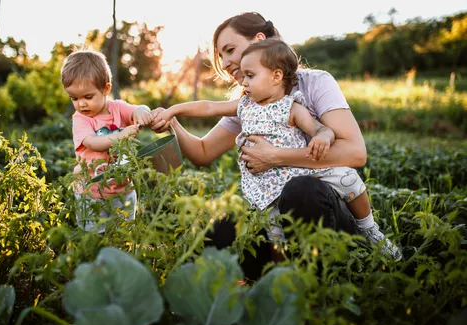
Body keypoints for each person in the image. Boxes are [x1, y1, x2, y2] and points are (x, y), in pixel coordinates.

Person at [149, 12, 401, 279]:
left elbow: (354, 152)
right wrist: (172, 119)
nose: (224, 63)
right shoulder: (248, 102)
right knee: (219, 233)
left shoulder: (314, 83)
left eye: (229, 50)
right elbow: (202, 152)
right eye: (220, 57)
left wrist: (275, 156)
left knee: (300, 190)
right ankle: (276, 284)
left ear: (259, 40)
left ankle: (344, 260)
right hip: (274, 202)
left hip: (324, 208)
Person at [61, 49, 154, 233]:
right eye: (74, 98)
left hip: (123, 189)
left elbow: (136, 110)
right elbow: (93, 142)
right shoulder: (80, 119)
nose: (81, 104)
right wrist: (122, 136)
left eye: (88, 97)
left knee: (123, 234)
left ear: (106, 89)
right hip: (91, 193)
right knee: (94, 236)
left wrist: (143, 111)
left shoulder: (118, 107)